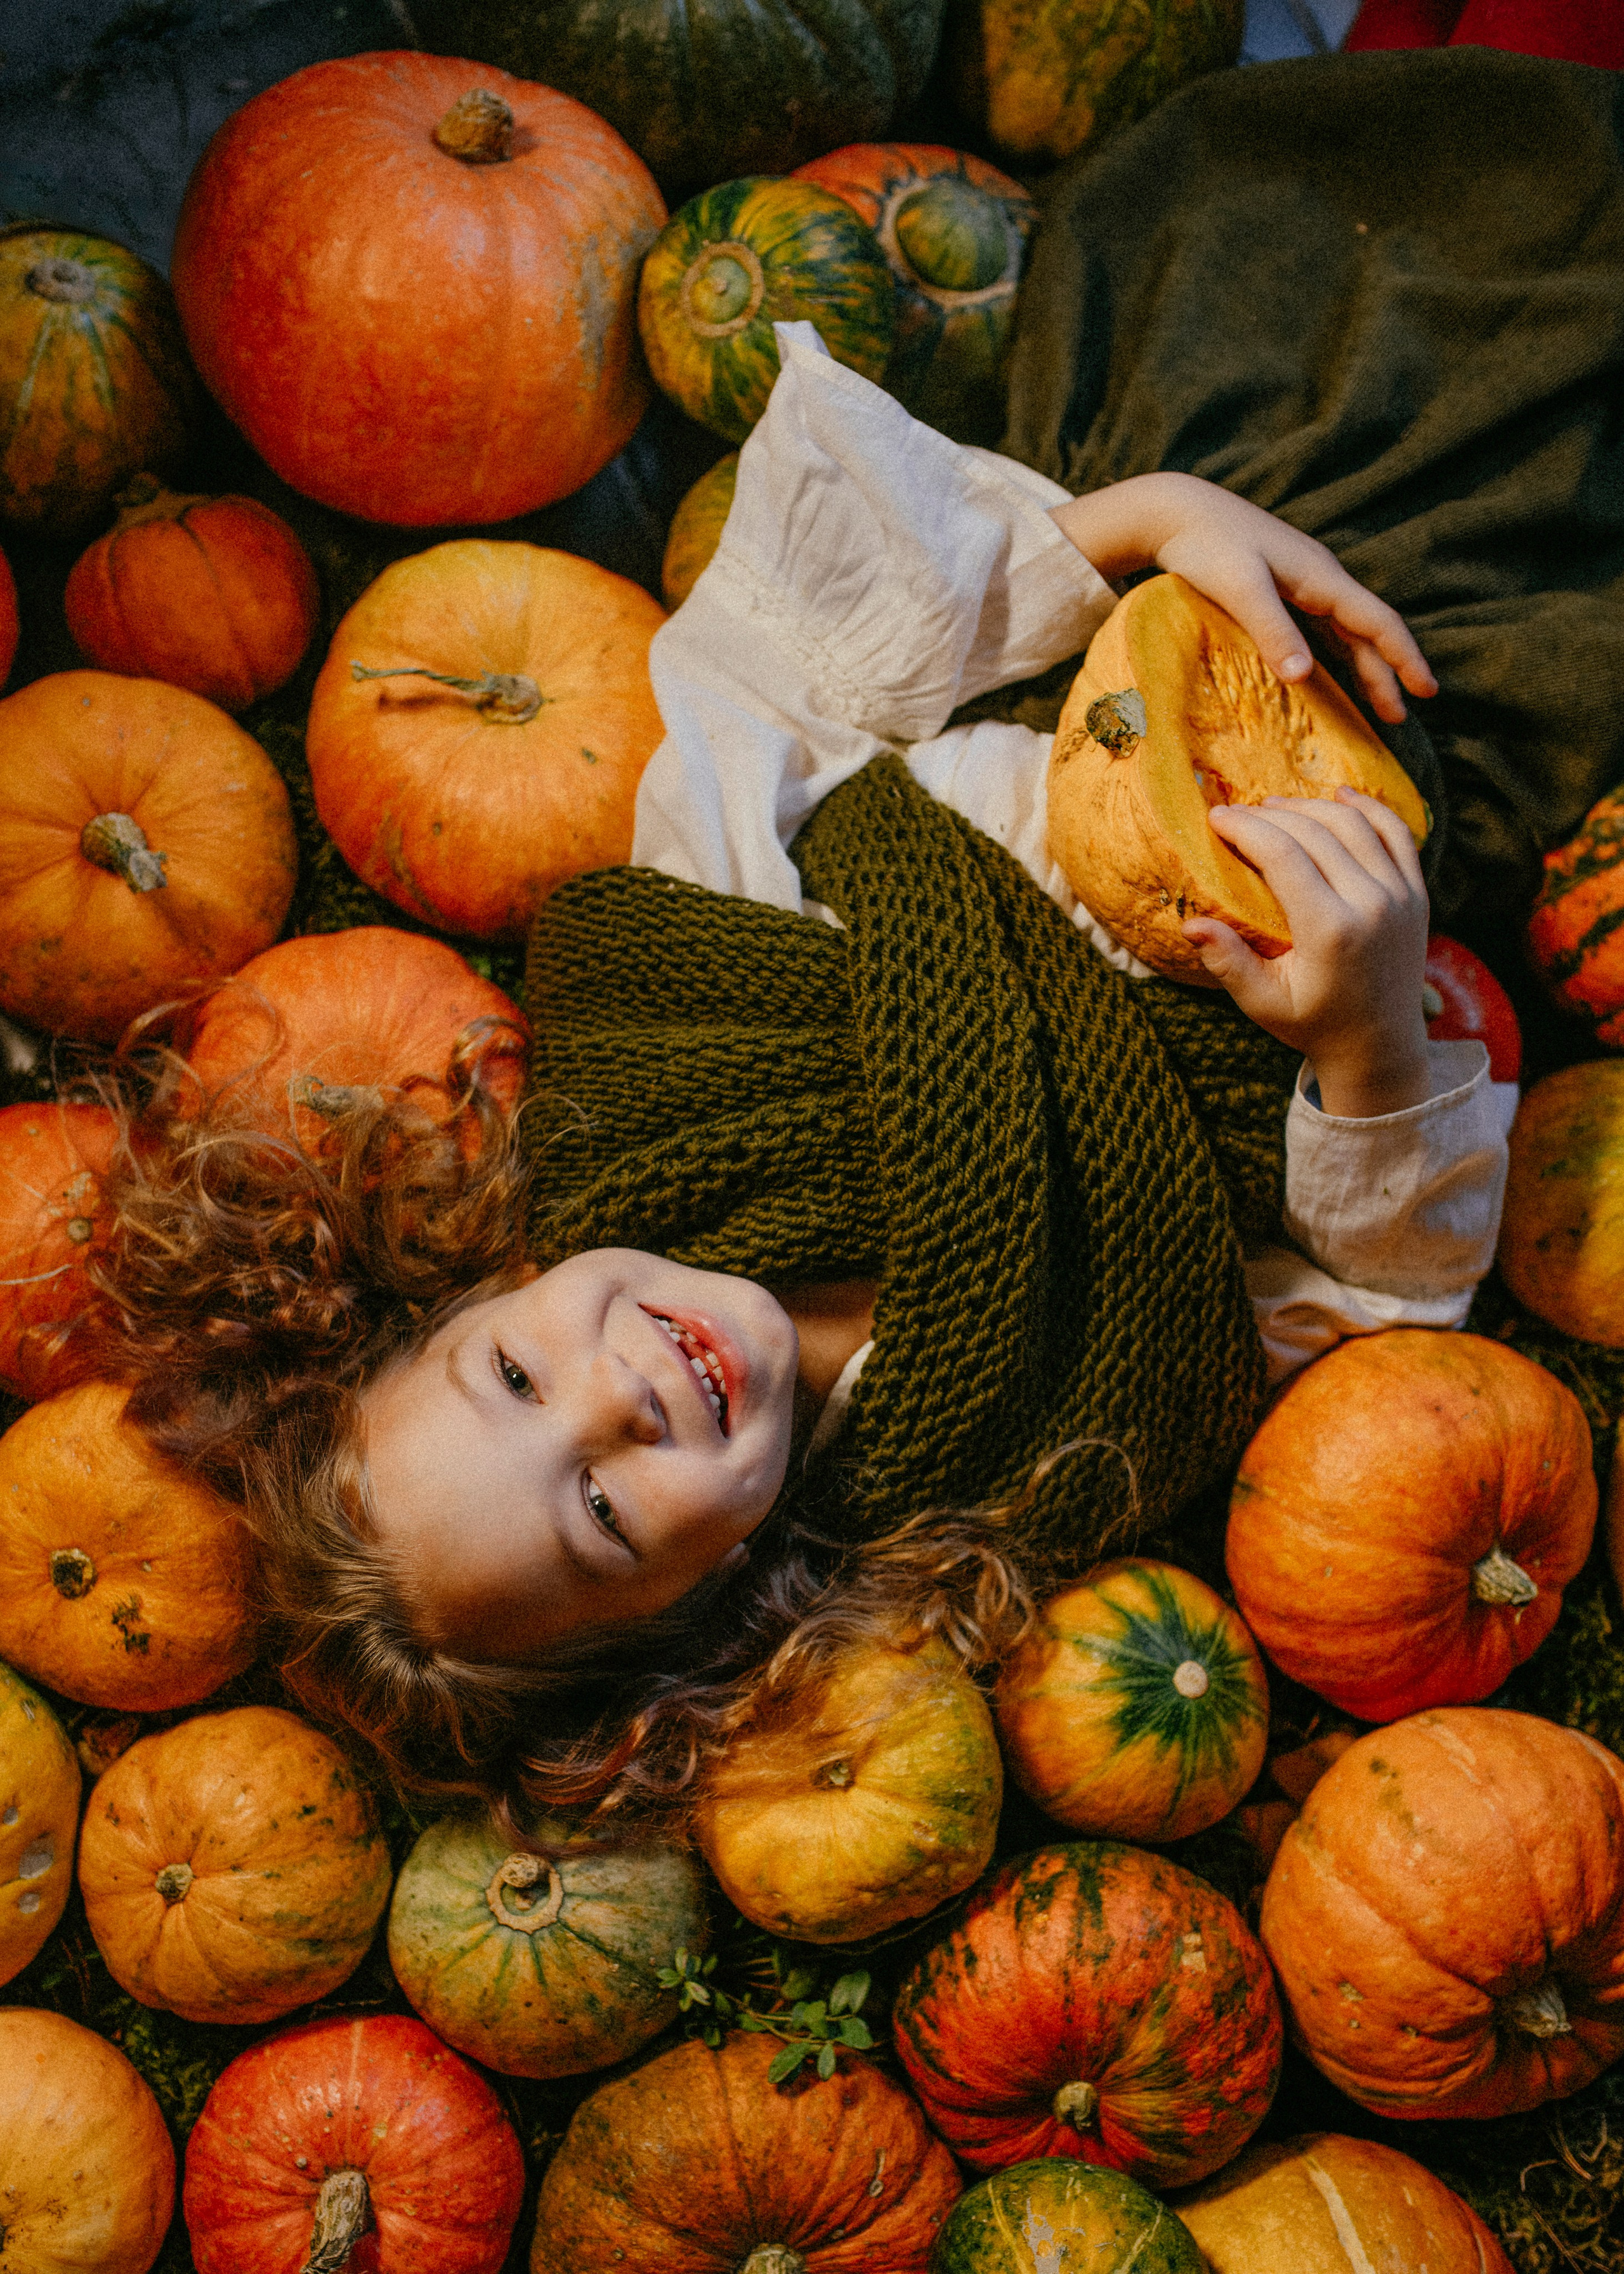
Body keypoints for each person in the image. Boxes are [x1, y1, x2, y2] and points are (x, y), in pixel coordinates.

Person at [93, 330, 1511, 1824]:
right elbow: (1370, 1326)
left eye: (512, 1372)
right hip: (1403, 874)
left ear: (471, 1293)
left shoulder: (654, 1044)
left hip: (1166, 665)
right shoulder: (995, 1478)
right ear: (694, 1607)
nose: (615, 1392)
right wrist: (1363, 1039)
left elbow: (790, 659)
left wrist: (1148, 521)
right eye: (594, 1509)